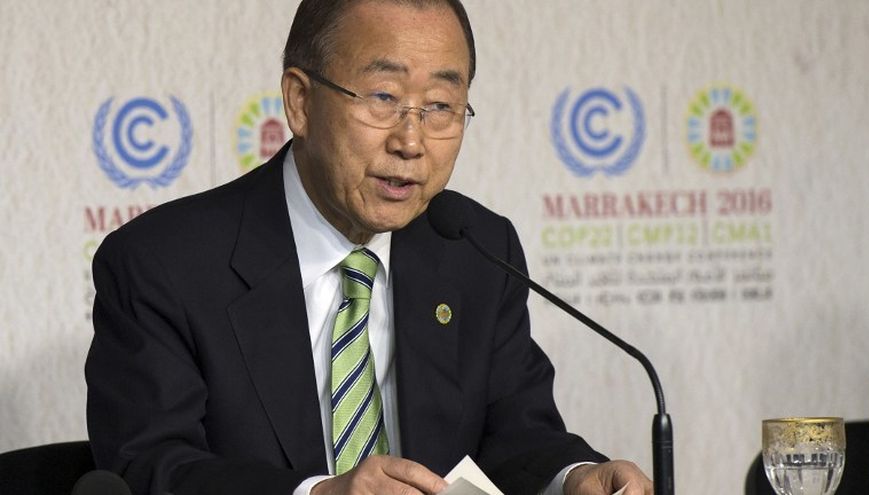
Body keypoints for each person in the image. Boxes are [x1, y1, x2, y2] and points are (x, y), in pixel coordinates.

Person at [85, 1, 654, 494]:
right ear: (300, 102)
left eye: (440, 106)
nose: (411, 141)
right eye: (383, 96)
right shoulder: (162, 263)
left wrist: (573, 476)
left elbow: (517, 434)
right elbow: (150, 467)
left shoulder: (475, 248)